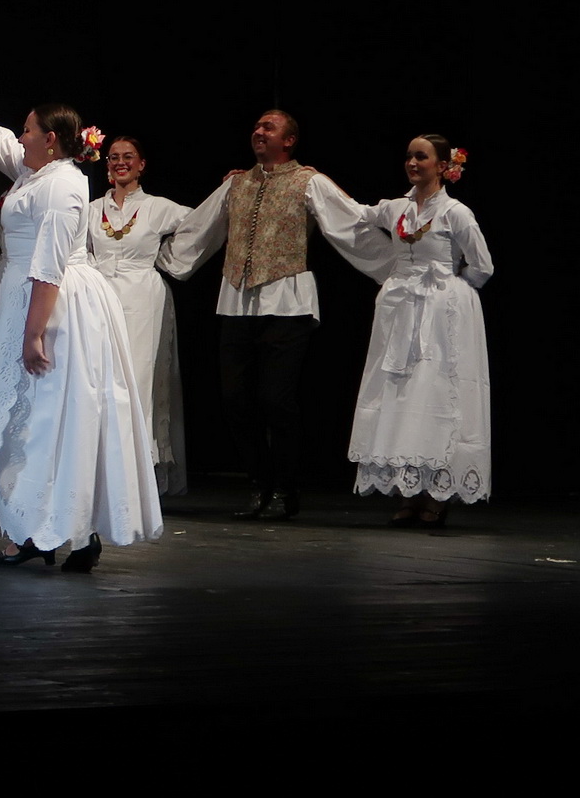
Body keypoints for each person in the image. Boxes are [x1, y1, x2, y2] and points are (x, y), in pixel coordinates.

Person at [0, 103, 162, 572]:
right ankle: (46, 530)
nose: (20, 136)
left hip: (55, 308)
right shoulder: (36, 173)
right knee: (40, 416)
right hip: (30, 297)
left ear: (50, 139)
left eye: (27, 129)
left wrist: (33, 334)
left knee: (52, 415)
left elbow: (49, 267)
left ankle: (53, 531)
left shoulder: (60, 185)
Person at [160, 110, 364, 521]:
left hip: (287, 303)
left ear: (288, 140)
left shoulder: (309, 181)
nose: (258, 131)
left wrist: (400, 257)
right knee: (236, 399)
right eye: (256, 126)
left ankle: (285, 488)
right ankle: (259, 482)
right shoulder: (237, 183)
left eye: (268, 127)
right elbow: (200, 226)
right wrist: (153, 254)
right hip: (237, 301)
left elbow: (351, 222)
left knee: (276, 399)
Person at [341, 136, 492, 527]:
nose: (412, 162)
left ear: (442, 166)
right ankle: (409, 490)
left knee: (436, 393)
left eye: (421, 156)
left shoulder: (455, 213)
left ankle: (437, 493)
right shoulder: (397, 208)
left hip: (441, 316)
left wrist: (451, 291)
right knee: (402, 395)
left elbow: (482, 266)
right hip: (399, 311)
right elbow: (356, 212)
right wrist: (316, 182)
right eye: (408, 155)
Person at [87, 136, 191, 495]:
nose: (120, 162)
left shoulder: (157, 207)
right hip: (100, 298)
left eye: (128, 156)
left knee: (139, 379)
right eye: (114, 157)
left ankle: (138, 472)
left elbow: (200, 223)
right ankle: (101, 468)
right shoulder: (91, 209)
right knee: (101, 379)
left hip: (143, 299)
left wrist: (167, 258)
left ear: (141, 164)